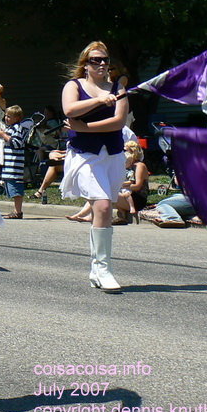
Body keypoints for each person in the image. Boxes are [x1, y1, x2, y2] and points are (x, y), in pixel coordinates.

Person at [60, 41, 129, 292]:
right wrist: (100, 99)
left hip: (111, 154)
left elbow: (118, 122)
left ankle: (97, 269)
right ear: (85, 64)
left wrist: (84, 127)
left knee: (105, 207)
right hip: (85, 155)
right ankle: (103, 269)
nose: (101, 64)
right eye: (95, 60)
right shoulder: (74, 85)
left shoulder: (118, 88)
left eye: (104, 60)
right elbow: (70, 109)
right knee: (101, 204)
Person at [0, 105, 30, 219]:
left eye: (9, 116)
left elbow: (17, 144)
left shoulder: (17, 128)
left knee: (16, 187)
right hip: (8, 164)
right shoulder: (10, 128)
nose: (6, 118)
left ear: (17, 118)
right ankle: (16, 210)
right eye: (6, 116)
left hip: (14, 164)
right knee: (11, 187)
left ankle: (18, 211)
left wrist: (4, 136)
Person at [114, 140, 149, 224]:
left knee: (108, 194)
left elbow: (137, 186)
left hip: (136, 199)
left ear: (132, 152)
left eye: (125, 150)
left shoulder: (139, 166)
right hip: (126, 194)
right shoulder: (126, 165)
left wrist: (120, 186)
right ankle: (122, 215)